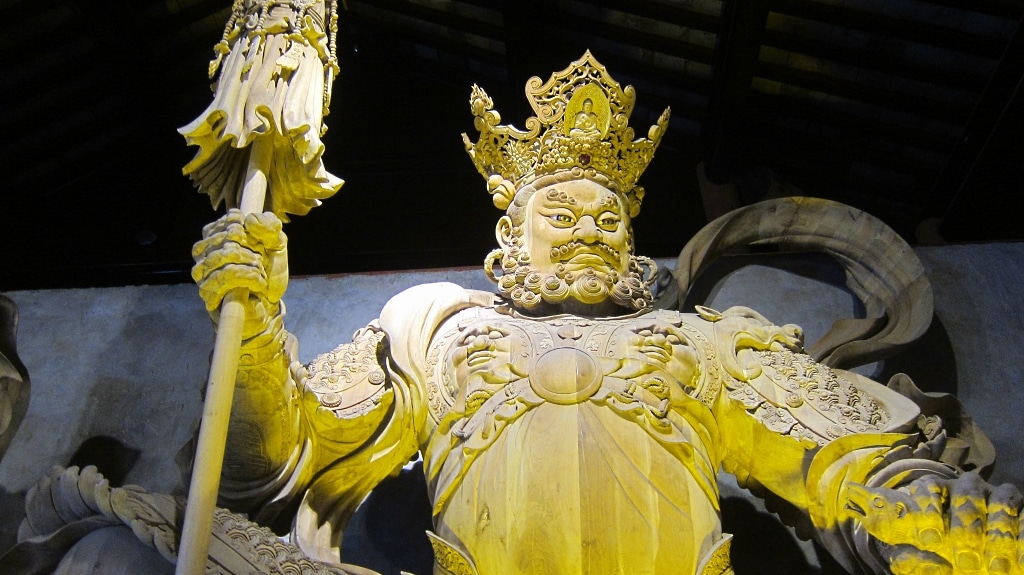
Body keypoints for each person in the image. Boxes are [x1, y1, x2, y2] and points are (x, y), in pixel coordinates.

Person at [190, 52, 1022, 575]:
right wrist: (257, 327)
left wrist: (929, 513)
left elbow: (845, 454)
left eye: (608, 217)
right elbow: (277, 457)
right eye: (562, 213)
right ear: (510, 232)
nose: (589, 227)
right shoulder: (435, 326)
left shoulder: (699, 338)